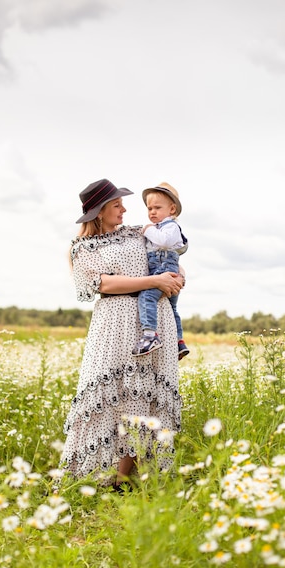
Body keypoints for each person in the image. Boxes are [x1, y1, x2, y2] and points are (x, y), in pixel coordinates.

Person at [58, 178, 183, 490]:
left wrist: (175, 279)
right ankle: (85, 475)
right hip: (113, 323)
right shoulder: (82, 248)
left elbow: (169, 254)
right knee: (107, 393)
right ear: (99, 211)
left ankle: (124, 478)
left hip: (154, 320)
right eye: (116, 204)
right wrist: (152, 282)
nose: (124, 209)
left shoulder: (137, 233)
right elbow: (103, 284)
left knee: (143, 397)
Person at [132, 183, 189, 360]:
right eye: (149, 208)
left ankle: (150, 335)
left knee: (147, 296)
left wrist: (148, 229)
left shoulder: (170, 227)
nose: (152, 212)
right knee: (172, 308)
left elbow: (163, 242)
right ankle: (179, 342)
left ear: (172, 209)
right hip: (166, 269)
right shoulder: (160, 227)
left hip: (163, 270)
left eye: (157, 207)